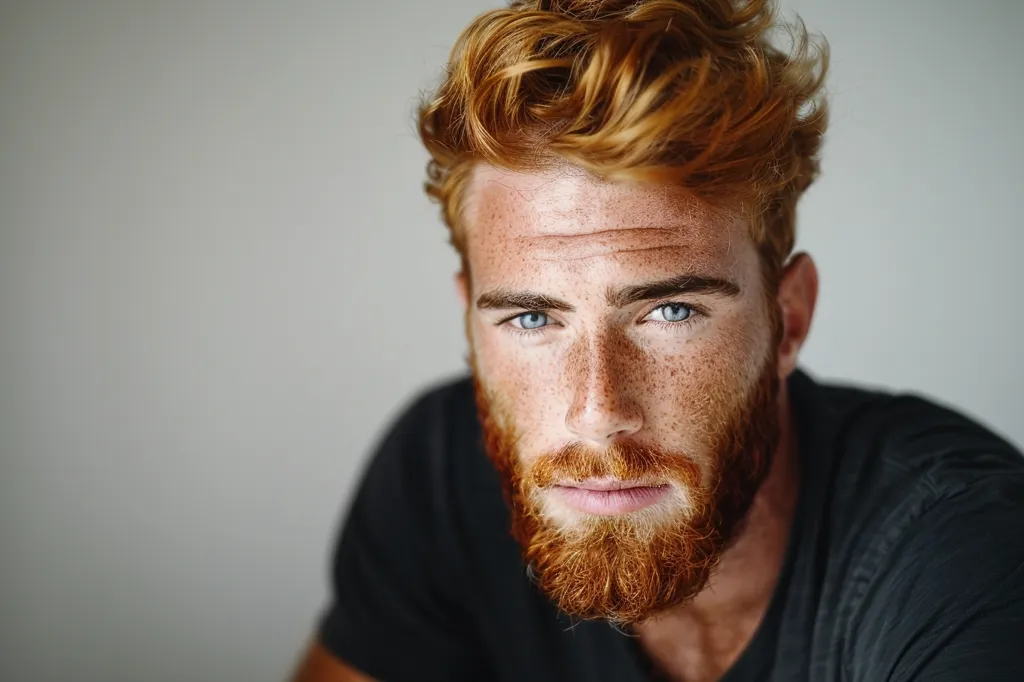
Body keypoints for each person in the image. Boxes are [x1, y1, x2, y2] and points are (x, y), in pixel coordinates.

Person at [290, 0, 1024, 680]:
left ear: (788, 320)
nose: (599, 410)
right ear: (471, 325)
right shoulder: (439, 474)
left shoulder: (964, 551)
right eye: (533, 319)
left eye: (669, 312)